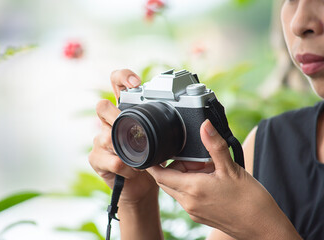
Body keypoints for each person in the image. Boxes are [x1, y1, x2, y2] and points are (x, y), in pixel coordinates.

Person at [89, 0, 324, 239]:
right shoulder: (272, 143)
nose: (299, 23)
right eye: (290, 0)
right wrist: (136, 201)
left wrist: (263, 230)